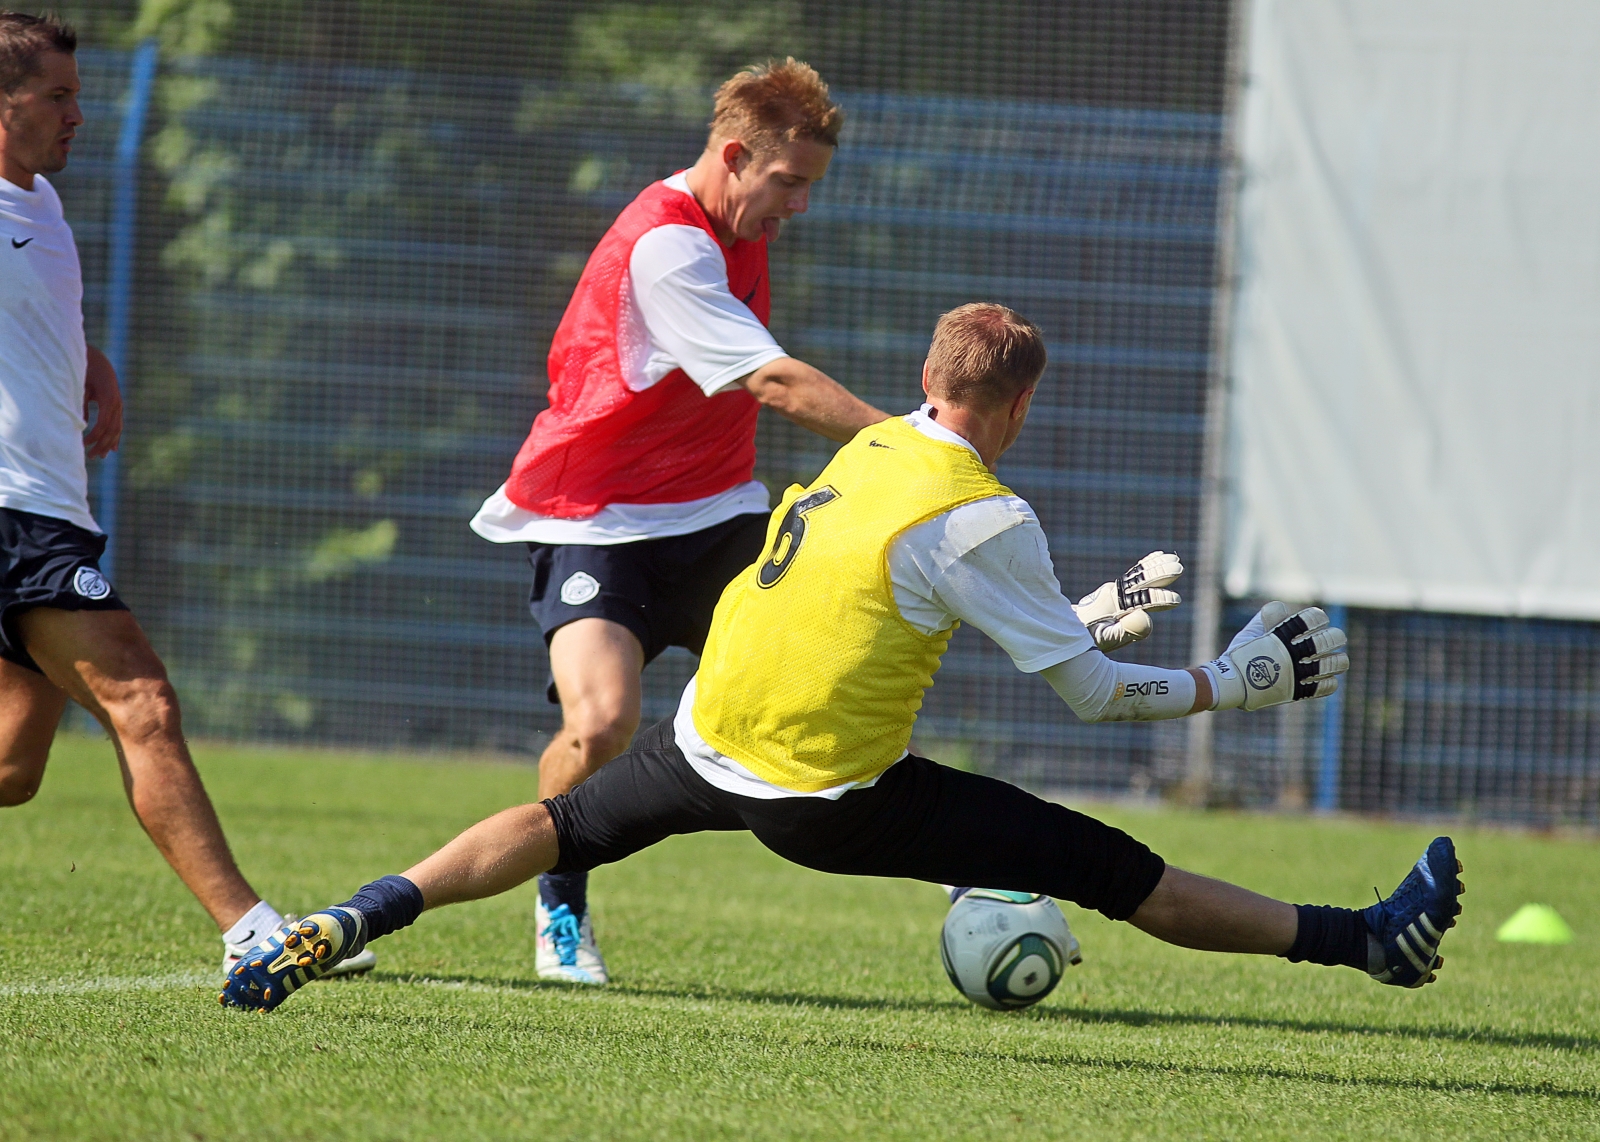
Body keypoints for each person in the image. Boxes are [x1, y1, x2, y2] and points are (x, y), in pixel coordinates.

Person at [221, 304, 1463, 1014]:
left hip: (710, 735)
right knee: (1113, 869)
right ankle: (1366, 939)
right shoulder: (986, 513)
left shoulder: (870, 449)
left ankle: (353, 912)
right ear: (1021, 406)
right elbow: (1088, 696)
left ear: (926, 379)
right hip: (829, 795)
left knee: (556, 823)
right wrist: (1228, 683)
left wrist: (1077, 613)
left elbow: (903, 601)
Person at [469, 57, 887, 984]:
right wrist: (911, 445)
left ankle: (963, 874)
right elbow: (774, 383)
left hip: (714, 516)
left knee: (832, 676)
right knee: (601, 724)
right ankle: (560, 907)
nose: (800, 206)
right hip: (596, 517)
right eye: (789, 182)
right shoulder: (669, 246)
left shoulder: (739, 221)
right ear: (734, 156)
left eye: (811, 186)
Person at [0, 10, 374, 981]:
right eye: (57, 96)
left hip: (49, 509)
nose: (78, 115)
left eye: (79, 96)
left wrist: (88, 359)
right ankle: (253, 931)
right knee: (144, 698)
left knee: (12, 766)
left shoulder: (38, 198)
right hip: (13, 515)